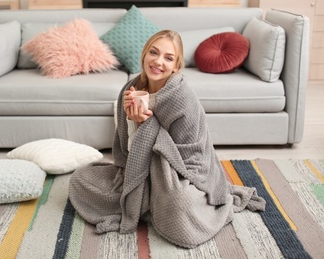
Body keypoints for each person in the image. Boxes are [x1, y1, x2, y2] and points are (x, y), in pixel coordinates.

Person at [69, 30, 265, 248]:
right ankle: (149, 202)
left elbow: (193, 160)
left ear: (176, 66)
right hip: (138, 170)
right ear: (144, 54)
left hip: (181, 173)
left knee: (181, 208)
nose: (158, 62)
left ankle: (152, 203)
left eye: (168, 58)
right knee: (80, 179)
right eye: (154, 52)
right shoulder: (130, 89)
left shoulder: (182, 98)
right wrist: (131, 120)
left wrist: (146, 125)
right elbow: (126, 151)